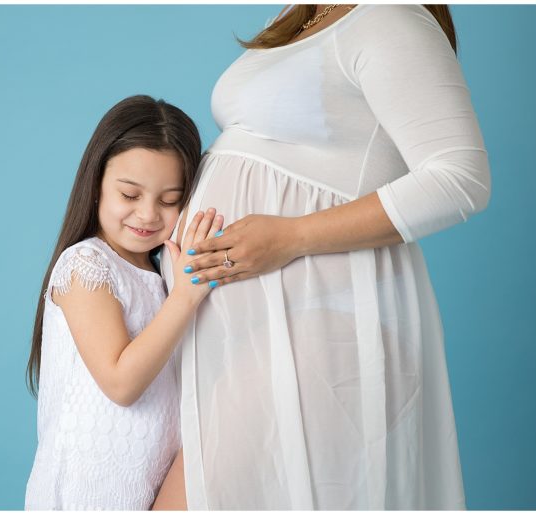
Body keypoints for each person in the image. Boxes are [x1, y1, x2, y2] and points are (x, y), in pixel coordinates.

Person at [153, 4, 490, 510]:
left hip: (315, 318)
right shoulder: (299, 12)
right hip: (251, 330)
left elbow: (461, 177)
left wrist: (292, 236)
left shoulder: (390, 18)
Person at [23, 95, 224, 510]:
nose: (148, 214)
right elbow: (121, 383)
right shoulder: (85, 263)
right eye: (130, 195)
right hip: (84, 494)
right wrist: (186, 295)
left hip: (143, 488)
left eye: (169, 200)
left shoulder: (162, 277)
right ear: (96, 183)